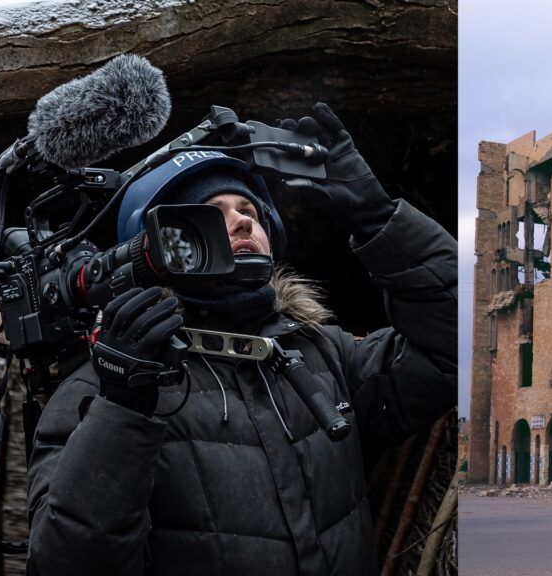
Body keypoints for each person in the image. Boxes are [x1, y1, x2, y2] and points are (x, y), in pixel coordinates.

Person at [26, 104, 457, 575]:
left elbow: (462, 344)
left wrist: (379, 219)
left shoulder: (325, 355)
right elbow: (68, 562)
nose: (242, 222)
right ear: (154, 251)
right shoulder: (101, 392)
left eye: (249, 209)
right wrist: (123, 411)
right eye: (212, 216)